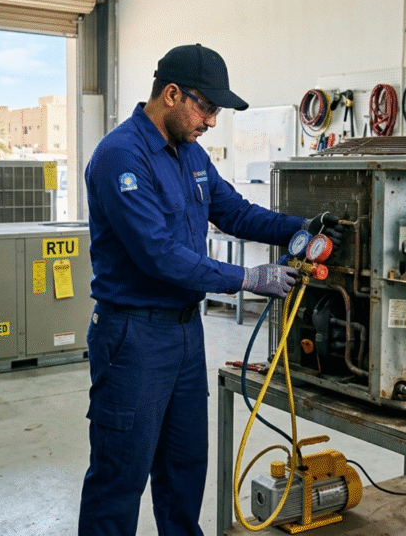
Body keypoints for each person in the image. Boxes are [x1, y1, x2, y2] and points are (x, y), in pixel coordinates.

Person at [79, 43, 341, 536]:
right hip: (132, 336)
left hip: (183, 334)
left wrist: (301, 227)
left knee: (183, 469)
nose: (212, 121)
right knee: (120, 476)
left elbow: (236, 212)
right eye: (207, 107)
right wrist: (246, 278)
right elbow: (157, 254)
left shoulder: (191, 154)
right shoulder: (120, 156)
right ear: (172, 94)